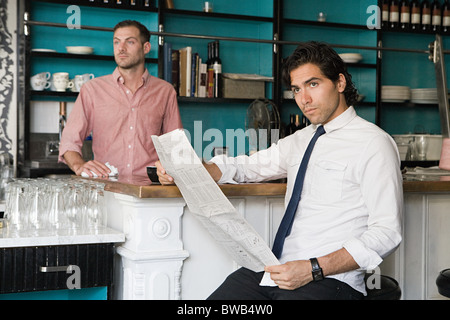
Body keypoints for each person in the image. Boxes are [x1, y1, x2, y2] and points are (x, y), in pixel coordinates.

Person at [156, 41, 403, 300]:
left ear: (340, 83)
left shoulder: (373, 143)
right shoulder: (299, 140)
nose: (304, 99)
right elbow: (245, 167)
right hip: (276, 270)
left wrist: (313, 269)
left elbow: (387, 233)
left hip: (330, 281)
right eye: (296, 89)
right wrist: (188, 170)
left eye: (313, 84)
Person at [59, 20, 182, 178]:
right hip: (106, 189)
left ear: (146, 48)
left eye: (130, 42)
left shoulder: (165, 92)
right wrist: (79, 165)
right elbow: (69, 141)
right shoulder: (92, 90)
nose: (121, 48)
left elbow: (174, 148)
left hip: (149, 192)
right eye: (117, 42)